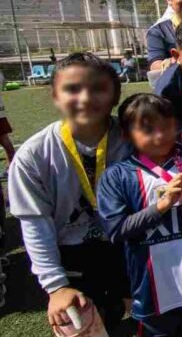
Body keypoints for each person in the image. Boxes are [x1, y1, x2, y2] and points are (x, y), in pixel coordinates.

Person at [9, 53, 130, 331]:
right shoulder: (33, 156)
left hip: (130, 247)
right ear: (54, 95)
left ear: (115, 94)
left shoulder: (135, 140)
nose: (86, 98)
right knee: (79, 325)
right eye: (72, 89)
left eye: (98, 88)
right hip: (72, 256)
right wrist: (56, 286)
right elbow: (36, 224)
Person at [97, 94, 182, 336]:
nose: (159, 135)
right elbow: (116, 230)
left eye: (166, 127)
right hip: (153, 293)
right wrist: (163, 204)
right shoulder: (117, 176)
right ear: (126, 134)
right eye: (147, 129)